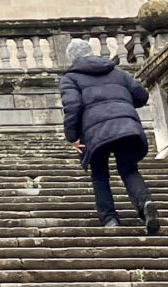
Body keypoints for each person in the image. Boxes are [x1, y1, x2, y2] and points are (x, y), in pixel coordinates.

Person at [59, 38, 160, 234]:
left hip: (94, 132)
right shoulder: (117, 71)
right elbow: (141, 95)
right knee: (129, 170)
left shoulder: (70, 78)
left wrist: (72, 137)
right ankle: (145, 203)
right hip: (126, 126)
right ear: (91, 51)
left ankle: (110, 220)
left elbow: (73, 106)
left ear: (71, 58)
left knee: (99, 175)